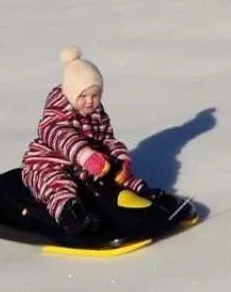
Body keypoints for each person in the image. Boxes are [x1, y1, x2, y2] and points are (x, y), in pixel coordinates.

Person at [20, 47, 156, 235]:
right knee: (59, 185)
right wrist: (85, 156)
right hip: (45, 165)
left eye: (95, 95)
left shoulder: (96, 114)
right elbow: (60, 136)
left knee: (113, 174)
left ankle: (144, 193)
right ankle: (71, 216)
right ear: (70, 93)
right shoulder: (56, 116)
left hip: (84, 167)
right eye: (83, 96)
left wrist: (121, 160)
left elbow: (107, 139)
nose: (90, 102)